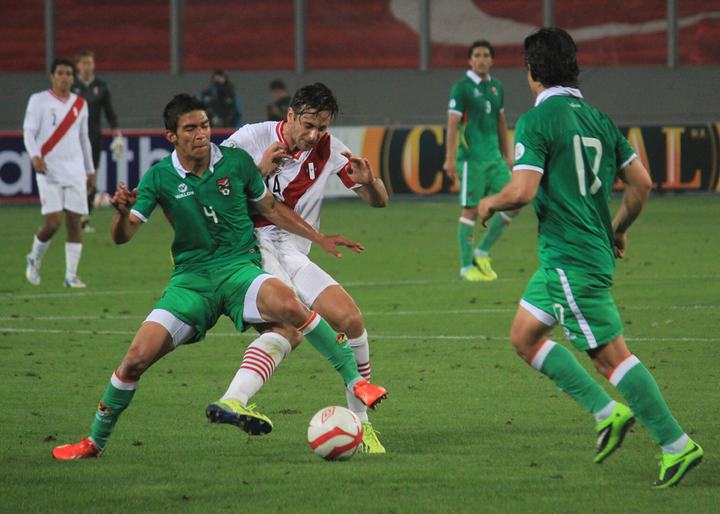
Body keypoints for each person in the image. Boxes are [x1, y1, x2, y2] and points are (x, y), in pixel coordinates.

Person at [51, 94, 387, 460]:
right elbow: (123, 234)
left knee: (310, 314)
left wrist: (327, 228)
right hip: (195, 279)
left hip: (243, 267)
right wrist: (120, 214)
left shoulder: (235, 161)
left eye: (205, 126)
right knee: (135, 359)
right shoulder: (167, 174)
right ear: (172, 136)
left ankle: (355, 393)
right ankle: (95, 441)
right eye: (190, 128)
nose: (201, 134)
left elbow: (271, 206)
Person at [478, 28, 702, 488]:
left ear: (532, 71)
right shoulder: (600, 120)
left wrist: (489, 202)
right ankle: (606, 412)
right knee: (524, 336)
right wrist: (617, 228)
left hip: (570, 260)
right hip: (576, 255)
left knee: (609, 357)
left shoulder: (537, 120)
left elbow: (522, 191)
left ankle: (676, 444)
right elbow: (642, 183)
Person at [221, 83, 390, 453]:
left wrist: (371, 182)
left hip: (294, 251)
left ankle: (362, 425)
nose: (315, 135)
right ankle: (234, 399)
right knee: (290, 326)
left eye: (323, 127)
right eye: (309, 125)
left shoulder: (330, 150)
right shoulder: (250, 138)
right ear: (290, 116)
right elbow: (216, 193)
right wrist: (259, 170)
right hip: (253, 245)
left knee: (351, 320)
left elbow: (379, 202)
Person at [443, 40, 515, 282]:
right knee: (470, 210)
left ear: (492, 60)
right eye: (477, 55)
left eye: (486, 55)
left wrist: (507, 154)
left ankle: (482, 251)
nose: (482, 59)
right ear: (470, 60)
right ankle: (466, 268)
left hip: (494, 158)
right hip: (471, 159)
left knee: (515, 201)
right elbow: (452, 124)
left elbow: (501, 122)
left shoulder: (496, 87)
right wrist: (449, 159)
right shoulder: (461, 88)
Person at [23, 58, 95, 288]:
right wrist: (35, 156)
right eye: (60, 73)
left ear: (73, 78)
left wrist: (90, 170)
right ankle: (34, 257)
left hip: (75, 171)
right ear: (52, 76)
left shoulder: (80, 104)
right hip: (49, 170)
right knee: (54, 222)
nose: (64, 77)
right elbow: (29, 131)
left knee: (74, 222)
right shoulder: (38, 100)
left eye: (68, 74)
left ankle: (71, 276)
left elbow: (84, 138)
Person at [72, 49, 125, 234]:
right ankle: (73, 215)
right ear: (78, 65)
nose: (87, 66)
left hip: (93, 138)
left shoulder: (101, 86)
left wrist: (116, 132)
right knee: (75, 178)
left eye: (90, 63)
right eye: (84, 63)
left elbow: (109, 111)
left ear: (94, 65)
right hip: (72, 139)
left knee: (90, 177)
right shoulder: (71, 85)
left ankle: (85, 218)